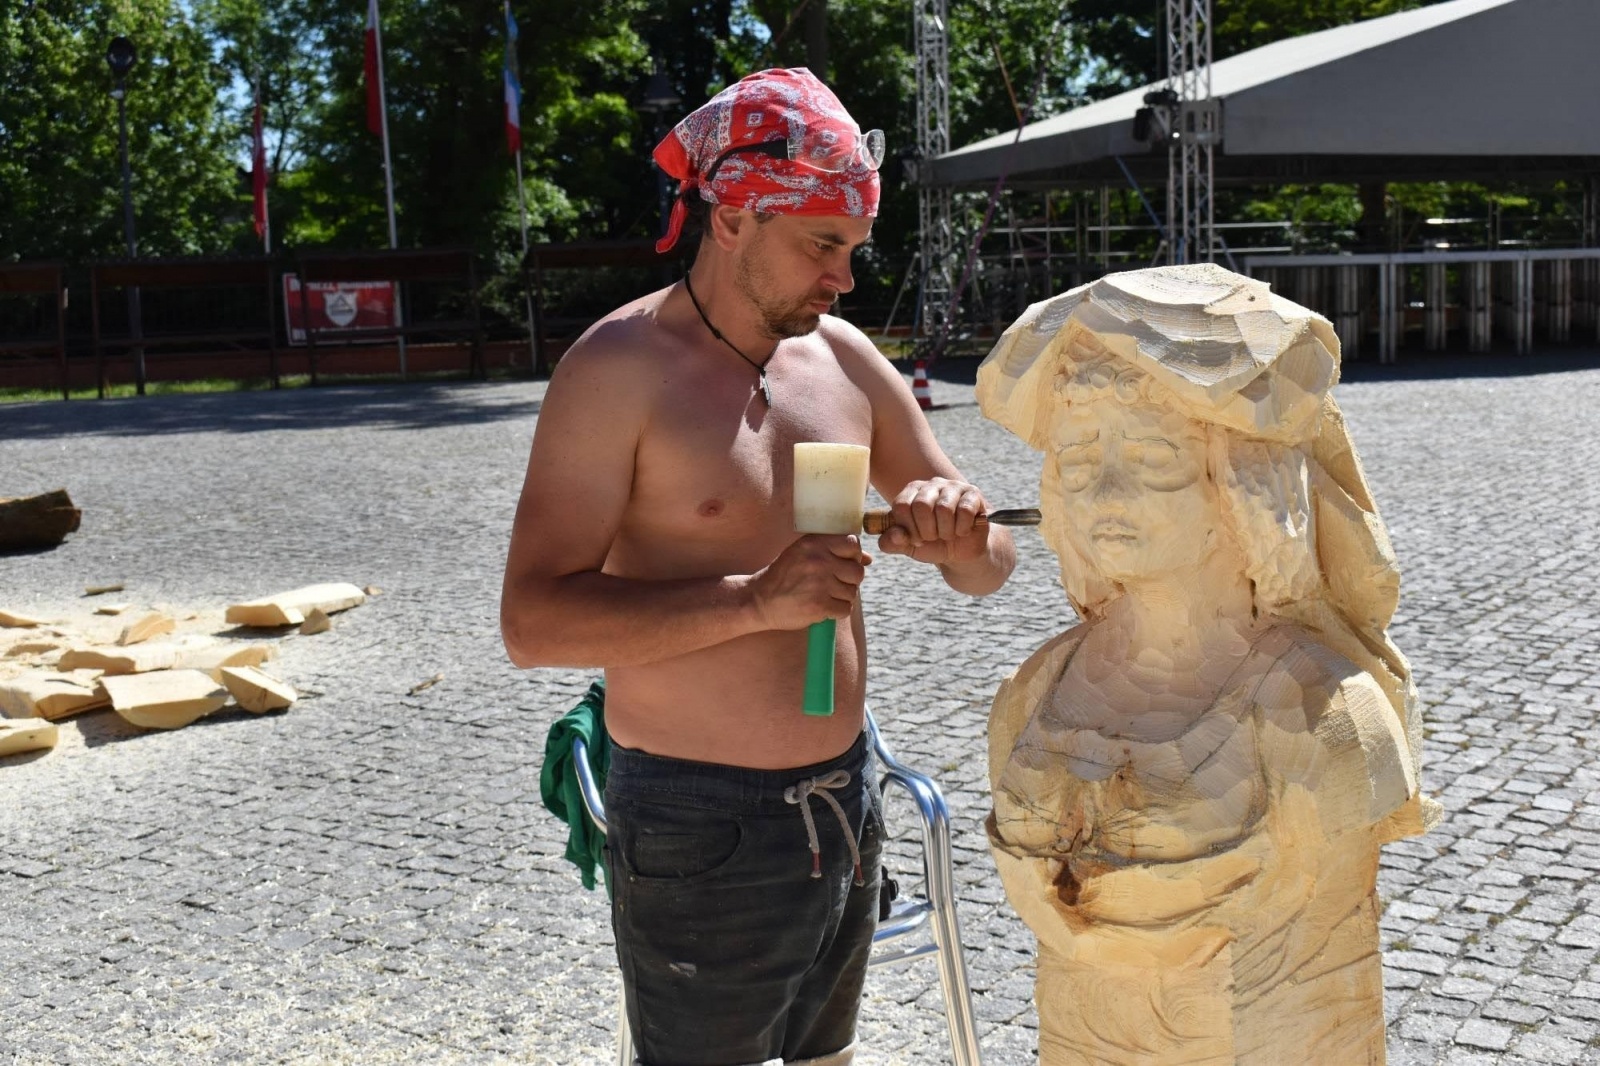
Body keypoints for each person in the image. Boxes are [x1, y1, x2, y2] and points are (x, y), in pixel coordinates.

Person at [501, 67, 1016, 1066]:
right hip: (696, 819)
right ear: (731, 216)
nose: (845, 277)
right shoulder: (619, 370)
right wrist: (750, 603)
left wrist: (962, 539)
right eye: (822, 244)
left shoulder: (846, 361)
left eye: (854, 248)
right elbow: (534, 624)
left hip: (842, 790)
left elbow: (990, 565)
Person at [974, 264, 1438, 1065]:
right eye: (1078, 462)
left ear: (1243, 486)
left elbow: (1326, 996)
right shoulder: (1035, 690)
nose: (1106, 494)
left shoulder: (1316, 710)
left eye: (1153, 460)